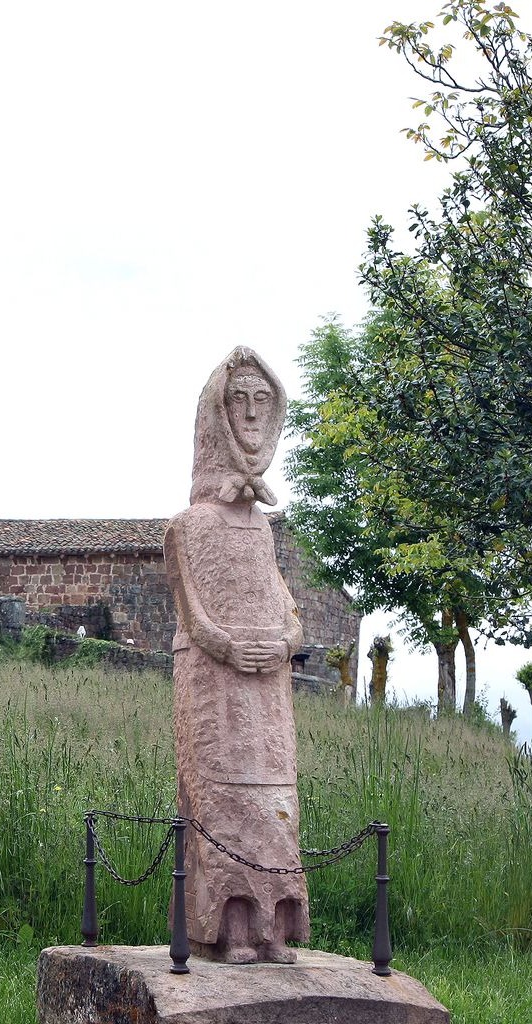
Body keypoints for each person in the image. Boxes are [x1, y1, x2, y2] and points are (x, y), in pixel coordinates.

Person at [164, 347, 309, 963]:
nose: (251, 414)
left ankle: (273, 926)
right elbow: (192, 609)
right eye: (238, 401)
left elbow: (288, 606)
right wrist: (225, 646)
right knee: (223, 803)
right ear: (215, 418)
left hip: (268, 689)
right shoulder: (188, 526)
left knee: (272, 803)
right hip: (215, 687)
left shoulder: (264, 528)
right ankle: (228, 929)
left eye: (262, 402)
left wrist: (283, 643)